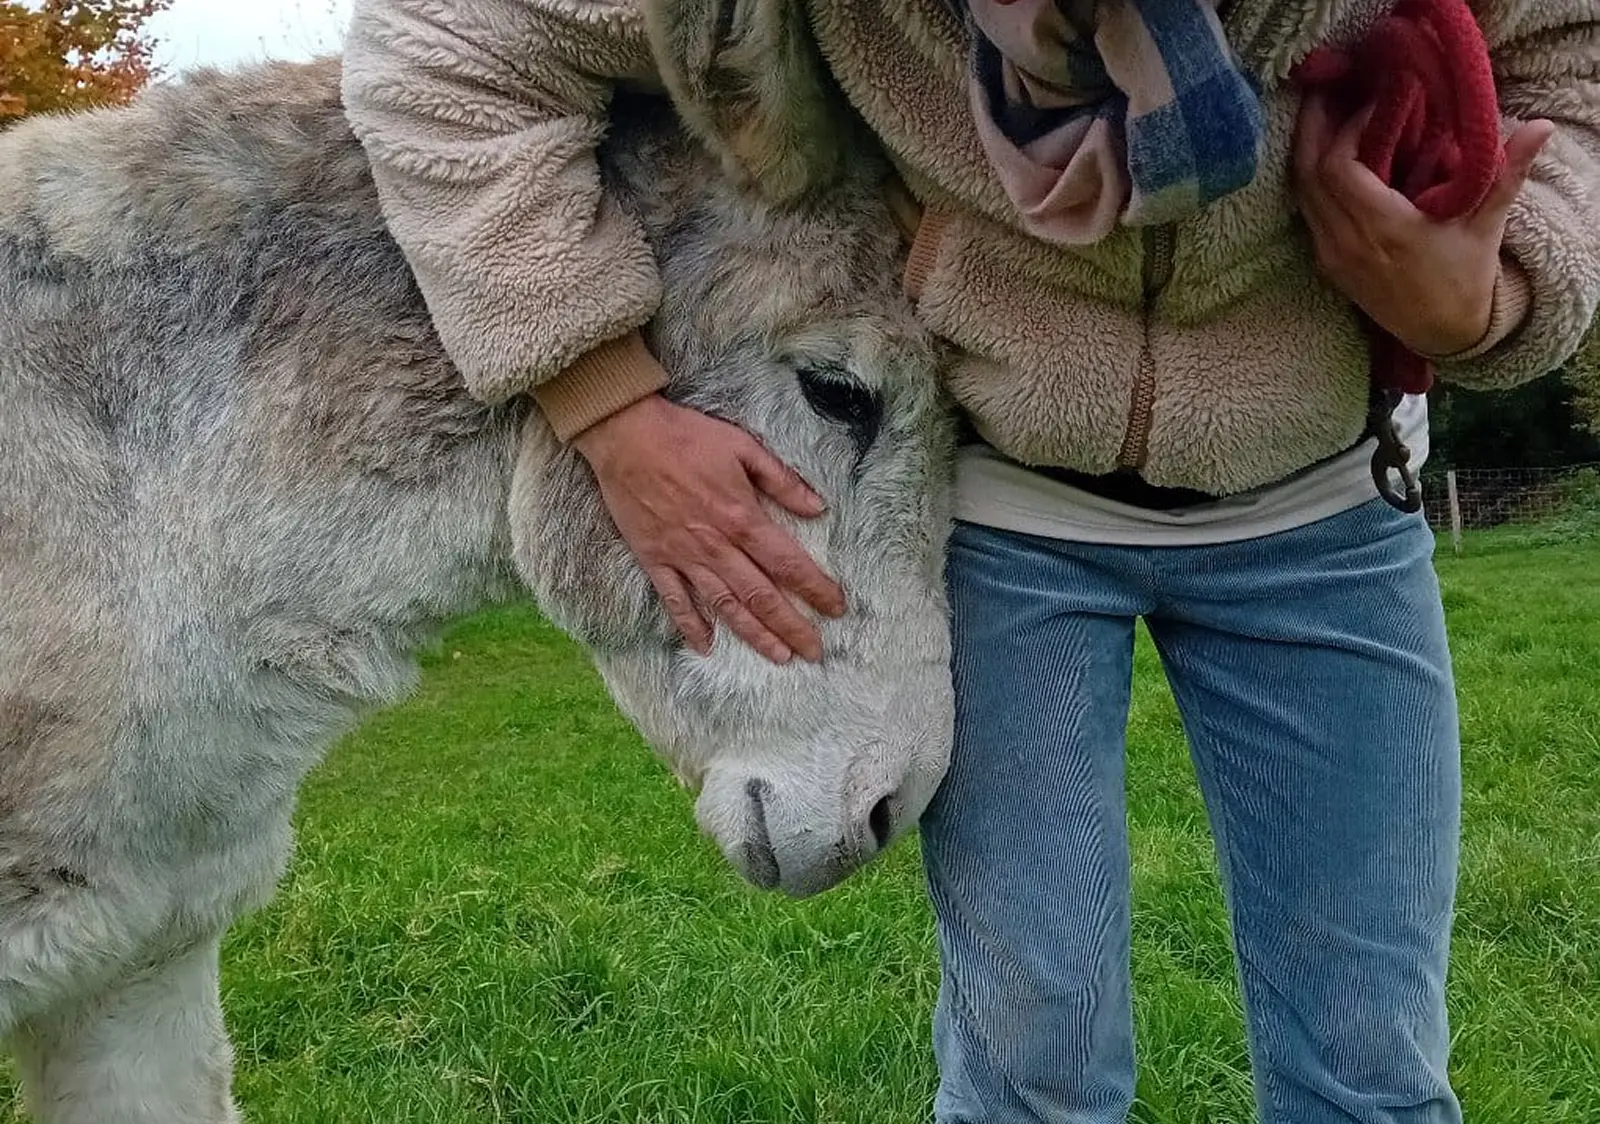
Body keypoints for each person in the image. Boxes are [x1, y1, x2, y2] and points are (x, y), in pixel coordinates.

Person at [338, 0, 1600, 1119]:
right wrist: (605, 402)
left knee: (1371, 1068)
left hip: (1323, 512)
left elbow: (1569, 60)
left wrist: (1490, 297)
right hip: (1011, 520)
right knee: (1030, 1063)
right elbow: (444, 45)